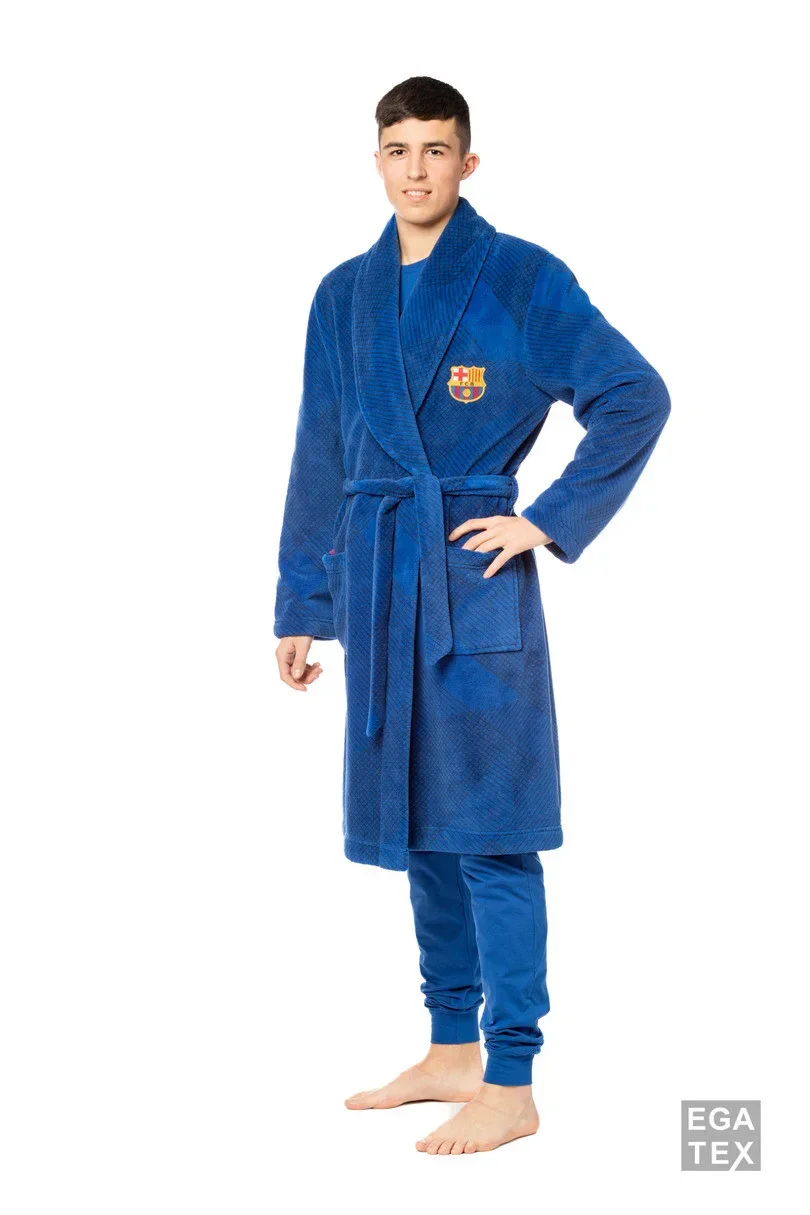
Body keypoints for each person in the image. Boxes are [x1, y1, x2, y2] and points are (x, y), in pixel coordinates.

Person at [274, 76, 670, 1154]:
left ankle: (513, 1076)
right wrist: (304, 600)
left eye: (437, 149)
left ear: (468, 162)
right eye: (399, 149)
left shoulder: (520, 276)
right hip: (377, 582)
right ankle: (450, 1044)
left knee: (492, 833)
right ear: (376, 161)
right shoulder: (342, 295)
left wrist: (545, 520)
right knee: (420, 829)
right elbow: (321, 449)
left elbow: (635, 395)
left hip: (473, 581)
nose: (417, 169)